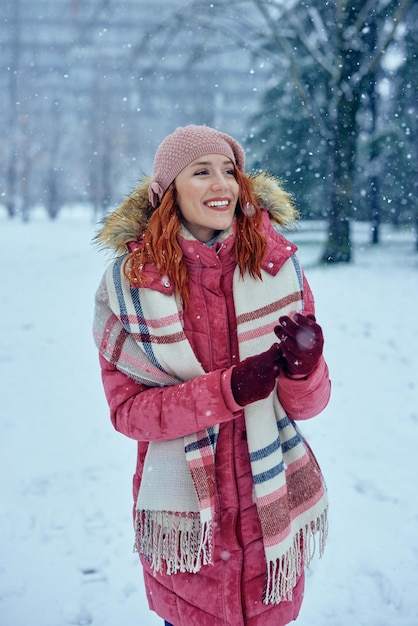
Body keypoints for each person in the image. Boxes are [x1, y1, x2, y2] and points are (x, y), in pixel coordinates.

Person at [93, 124, 331, 626]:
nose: (221, 184)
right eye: (201, 172)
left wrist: (305, 371)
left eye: (229, 171)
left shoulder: (277, 270)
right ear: (168, 191)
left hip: (269, 533)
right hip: (190, 540)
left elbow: (307, 406)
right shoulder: (130, 288)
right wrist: (228, 391)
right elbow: (129, 413)